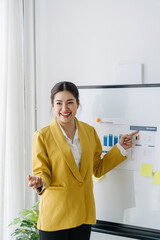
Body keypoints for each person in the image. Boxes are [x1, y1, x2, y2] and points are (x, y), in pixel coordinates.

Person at [27, 81, 138, 240]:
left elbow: (97, 168)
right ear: (53, 106)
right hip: (55, 215)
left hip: (83, 214)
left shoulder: (89, 132)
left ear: (77, 104)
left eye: (70, 102)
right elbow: (42, 171)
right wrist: (39, 181)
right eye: (59, 103)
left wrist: (119, 148)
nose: (64, 109)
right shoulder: (42, 136)